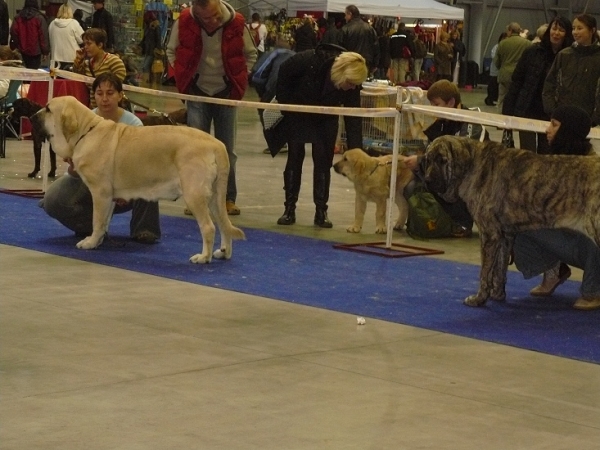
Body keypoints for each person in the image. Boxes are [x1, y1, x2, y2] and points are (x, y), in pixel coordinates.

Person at [39, 72, 161, 244]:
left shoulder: (134, 124)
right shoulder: (83, 120)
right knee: (52, 199)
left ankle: (145, 230)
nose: (104, 98)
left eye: (110, 93)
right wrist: (74, 165)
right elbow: (74, 173)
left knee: (150, 175)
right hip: (91, 180)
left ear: (120, 95)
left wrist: (122, 186)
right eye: (99, 93)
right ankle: (91, 228)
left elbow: (142, 163)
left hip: (129, 181)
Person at [166, 0, 257, 216]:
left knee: (228, 151)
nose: (213, 21)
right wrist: (182, 77)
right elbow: (171, 51)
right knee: (195, 152)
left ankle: (228, 199)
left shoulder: (237, 23)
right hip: (197, 93)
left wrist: (240, 78)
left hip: (227, 95)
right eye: (207, 18)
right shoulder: (185, 21)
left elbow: (251, 54)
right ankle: (196, 199)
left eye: (216, 16)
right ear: (196, 14)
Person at [513, 105, 600, 311]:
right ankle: (554, 271)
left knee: (594, 229)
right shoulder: (551, 163)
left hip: (589, 240)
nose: (547, 130)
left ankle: (593, 290)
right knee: (517, 221)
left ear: (568, 131)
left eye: (554, 125)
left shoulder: (593, 168)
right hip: (569, 237)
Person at [275, 48, 368, 228]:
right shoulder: (307, 60)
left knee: (324, 159)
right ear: (341, 74)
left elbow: (353, 116)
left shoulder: (352, 84)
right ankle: (289, 209)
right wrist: (285, 106)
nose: (353, 88)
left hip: (327, 116)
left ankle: (321, 211)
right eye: (351, 83)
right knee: (294, 157)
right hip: (299, 109)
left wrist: (356, 150)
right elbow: (284, 71)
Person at [403, 79, 487, 238]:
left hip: (473, 180)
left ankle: (462, 222)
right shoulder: (440, 124)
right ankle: (438, 222)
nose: (433, 110)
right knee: (411, 186)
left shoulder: (472, 123)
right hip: (448, 176)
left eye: (437, 104)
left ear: (451, 103)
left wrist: (420, 162)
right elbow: (431, 155)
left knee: (445, 182)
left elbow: (462, 163)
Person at [502, 16, 573, 154]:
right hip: (527, 110)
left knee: (547, 154)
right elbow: (516, 82)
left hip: (552, 115)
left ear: (567, 34)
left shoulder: (569, 58)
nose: (556, 33)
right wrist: (508, 112)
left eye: (561, 30)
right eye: (554, 28)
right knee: (527, 154)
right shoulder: (531, 51)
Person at [543, 14, 600, 127]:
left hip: (586, 118)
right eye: (573, 28)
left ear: (592, 30)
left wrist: (596, 117)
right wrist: (552, 110)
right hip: (561, 116)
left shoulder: (598, 57)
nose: (575, 32)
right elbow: (549, 84)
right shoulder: (564, 54)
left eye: (580, 28)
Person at [72, 28, 126, 108]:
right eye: (84, 44)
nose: (85, 47)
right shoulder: (87, 63)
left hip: (111, 108)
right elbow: (77, 80)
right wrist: (79, 61)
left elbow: (117, 84)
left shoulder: (114, 61)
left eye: (89, 44)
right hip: (94, 109)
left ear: (100, 45)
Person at [493, 22, 532, 110]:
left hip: (504, 75)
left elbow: (496, 61)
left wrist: (502, 68)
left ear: (510, 30)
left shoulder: (502, 43)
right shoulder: (527, 43)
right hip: (520, 76)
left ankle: (500, 119)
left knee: (502, 99)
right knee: (517, 99)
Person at [9, 0, 49, 69]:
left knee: (22, 72)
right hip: (35, 52)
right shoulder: (39, 18)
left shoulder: (18, 17)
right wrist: (45, 52)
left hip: (21, 51)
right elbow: (43, 36)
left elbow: (14, 33)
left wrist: (13, 46)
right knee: (34, 73)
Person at [340, 5, 379, 75]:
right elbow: (376, 47)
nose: (344, 17)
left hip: (350, 62)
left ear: (350, 14)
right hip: (366, 62)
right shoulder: (370, 28)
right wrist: (375, 64)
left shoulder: (345, 29)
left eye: (345, 15)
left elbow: (340, 48)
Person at [48, 4, 84, 70]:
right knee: (70, 80)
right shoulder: (74, 23)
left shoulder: (52, 24)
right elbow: (81, 40)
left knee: (53, 78)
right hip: (72, 59)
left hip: (55, 60)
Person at [140, 11, 162, 84]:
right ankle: (149, 82)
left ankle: (146, 82)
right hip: (148, 50)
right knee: (149, 67)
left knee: (145, 66)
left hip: (152, 50)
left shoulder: (155, 27)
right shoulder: (148, 26)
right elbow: (145, 38)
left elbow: (158, 39)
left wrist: (158, 49)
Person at [484, 32, 506, 106]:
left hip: (502, 71)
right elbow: (494, 58)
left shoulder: (505, 47)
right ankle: (491, 99)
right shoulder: (496, 47)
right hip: (495, 71)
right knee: (493, 86)